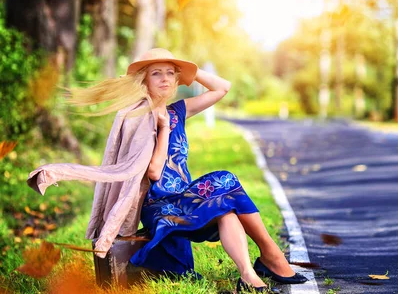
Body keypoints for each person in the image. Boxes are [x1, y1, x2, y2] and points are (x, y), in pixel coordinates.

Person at [28, 48, 307, 293]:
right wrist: (163, 130)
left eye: (170, 74)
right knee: (226, 180)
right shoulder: (139, 115)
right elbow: (153, 172)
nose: (164, 79)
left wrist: (190, 72)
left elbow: (222, 88)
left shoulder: (178, 111)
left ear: (176, 80)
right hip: (159, 205)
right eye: (156, 73)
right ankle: (271, 257)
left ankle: (249, 274)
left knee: (227, 206)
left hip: (184, 198)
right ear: (144, 80)